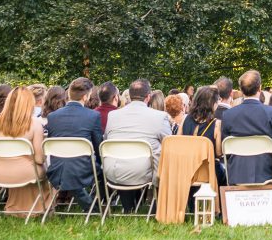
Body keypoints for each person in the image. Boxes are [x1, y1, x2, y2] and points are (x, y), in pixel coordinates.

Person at [220, 70, 272, 207]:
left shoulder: (228, 115)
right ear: (260, 88)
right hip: (267, 172)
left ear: (241, 90)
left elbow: (225, 150)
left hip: (237, 172)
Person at [103, 79, 171, 212]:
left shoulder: (113, 115)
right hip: (143, 171)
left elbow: (106, 139)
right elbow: (169, 143)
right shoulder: (159, 116)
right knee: (162, 152)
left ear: (130, 95)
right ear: (148, 97)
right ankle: (157, 205)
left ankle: (128, 208)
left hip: (114, 171)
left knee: (125, 159)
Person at [0, 87, 48, 216]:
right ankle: (38, 207)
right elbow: (39, 159)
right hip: (25, 173)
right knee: (45, 168)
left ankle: (16, 206)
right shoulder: (35, 124)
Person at [44, 77, 102, 212]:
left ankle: (91, 206)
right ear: (85, 96)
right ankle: (94, 206)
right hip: (83, 169)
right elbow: (98, 146)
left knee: (71, 167)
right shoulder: (93, 116)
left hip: (57, 168)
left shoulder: (52, 116)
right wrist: (100, 163)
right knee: (102, 169)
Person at [182, 85, 225, 186]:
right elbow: (219, 153)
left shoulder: (185, 119)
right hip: (208, 173)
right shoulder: (216, 124)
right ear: (213, 104)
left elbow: (178, 141)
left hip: (186, 171)